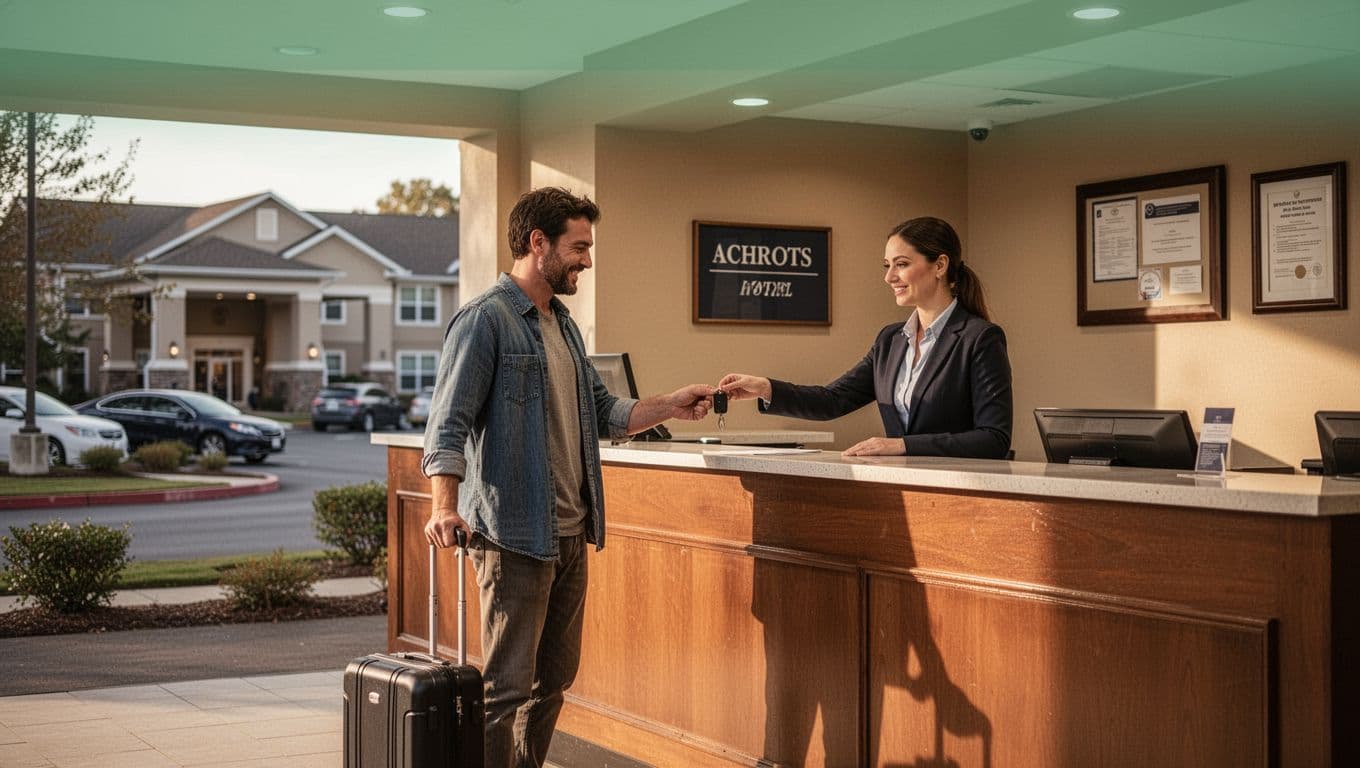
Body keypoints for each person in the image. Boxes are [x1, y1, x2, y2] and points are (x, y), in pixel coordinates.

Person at [421, 187, 715, 768]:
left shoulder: (564, 327)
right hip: (513, 536)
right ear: (539, 243)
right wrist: (442, 506)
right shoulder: (486, 321)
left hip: (571, 534)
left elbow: (605, 411)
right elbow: (446, 425)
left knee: (552, 681)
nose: (587, 259)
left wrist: (672, 405)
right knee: (505, 689)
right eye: (579, 247)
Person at [720, 216, 1011, 458]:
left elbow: (993, 438)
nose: (889, 277)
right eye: (888, 266)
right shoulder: (890, 341)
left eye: (901, 264)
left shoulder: (981, 339)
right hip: (904, 489)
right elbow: (833, 400)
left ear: (940, 265)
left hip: (960, 494)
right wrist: (766, 388)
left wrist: (902, 445)